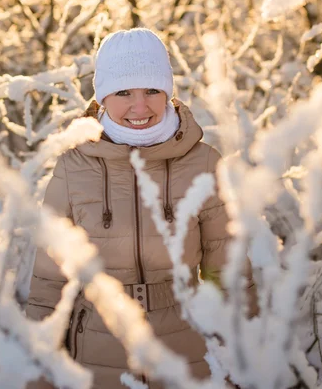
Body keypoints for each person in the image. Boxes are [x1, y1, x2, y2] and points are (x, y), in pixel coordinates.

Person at [26, 28, 256, 389]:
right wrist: (36, 374)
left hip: (189, 356)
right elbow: (50, 281)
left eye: (151, 90)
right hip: (96, 359)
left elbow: (228, 277)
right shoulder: (73, 167)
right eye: (123, 92)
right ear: (102, 97)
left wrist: (242, 363)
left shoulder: (205, 163)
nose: (139, 106)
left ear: (168, 91)